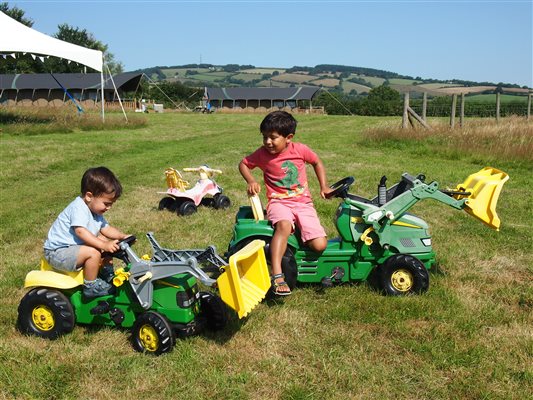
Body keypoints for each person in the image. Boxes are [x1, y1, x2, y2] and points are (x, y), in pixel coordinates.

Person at [239, 111, 332, 296]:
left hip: (303, 202)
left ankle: (297, 235)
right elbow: (243, 164)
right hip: (278, 202)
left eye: (273, 138)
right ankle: (277, 272)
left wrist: (324, 186)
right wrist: (250, 180)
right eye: (264, 137)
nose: (267, 142)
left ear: (289, 137)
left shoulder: (300, 150)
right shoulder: (262, 154)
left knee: (319, 245)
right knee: (283, 225)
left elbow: (317, 162)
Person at [43, 167, 130, 298]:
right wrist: (103, 245)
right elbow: (80, 232)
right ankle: (91, 286)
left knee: (107, 242)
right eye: (106, 203)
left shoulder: (95, 210)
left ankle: (107, 274)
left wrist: (122, 236)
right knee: (95, 251)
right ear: (89, 196)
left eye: (111, 204)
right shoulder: (79, 208)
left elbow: (106, 228)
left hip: (73, 248)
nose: (109, 207)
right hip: (58, 252)